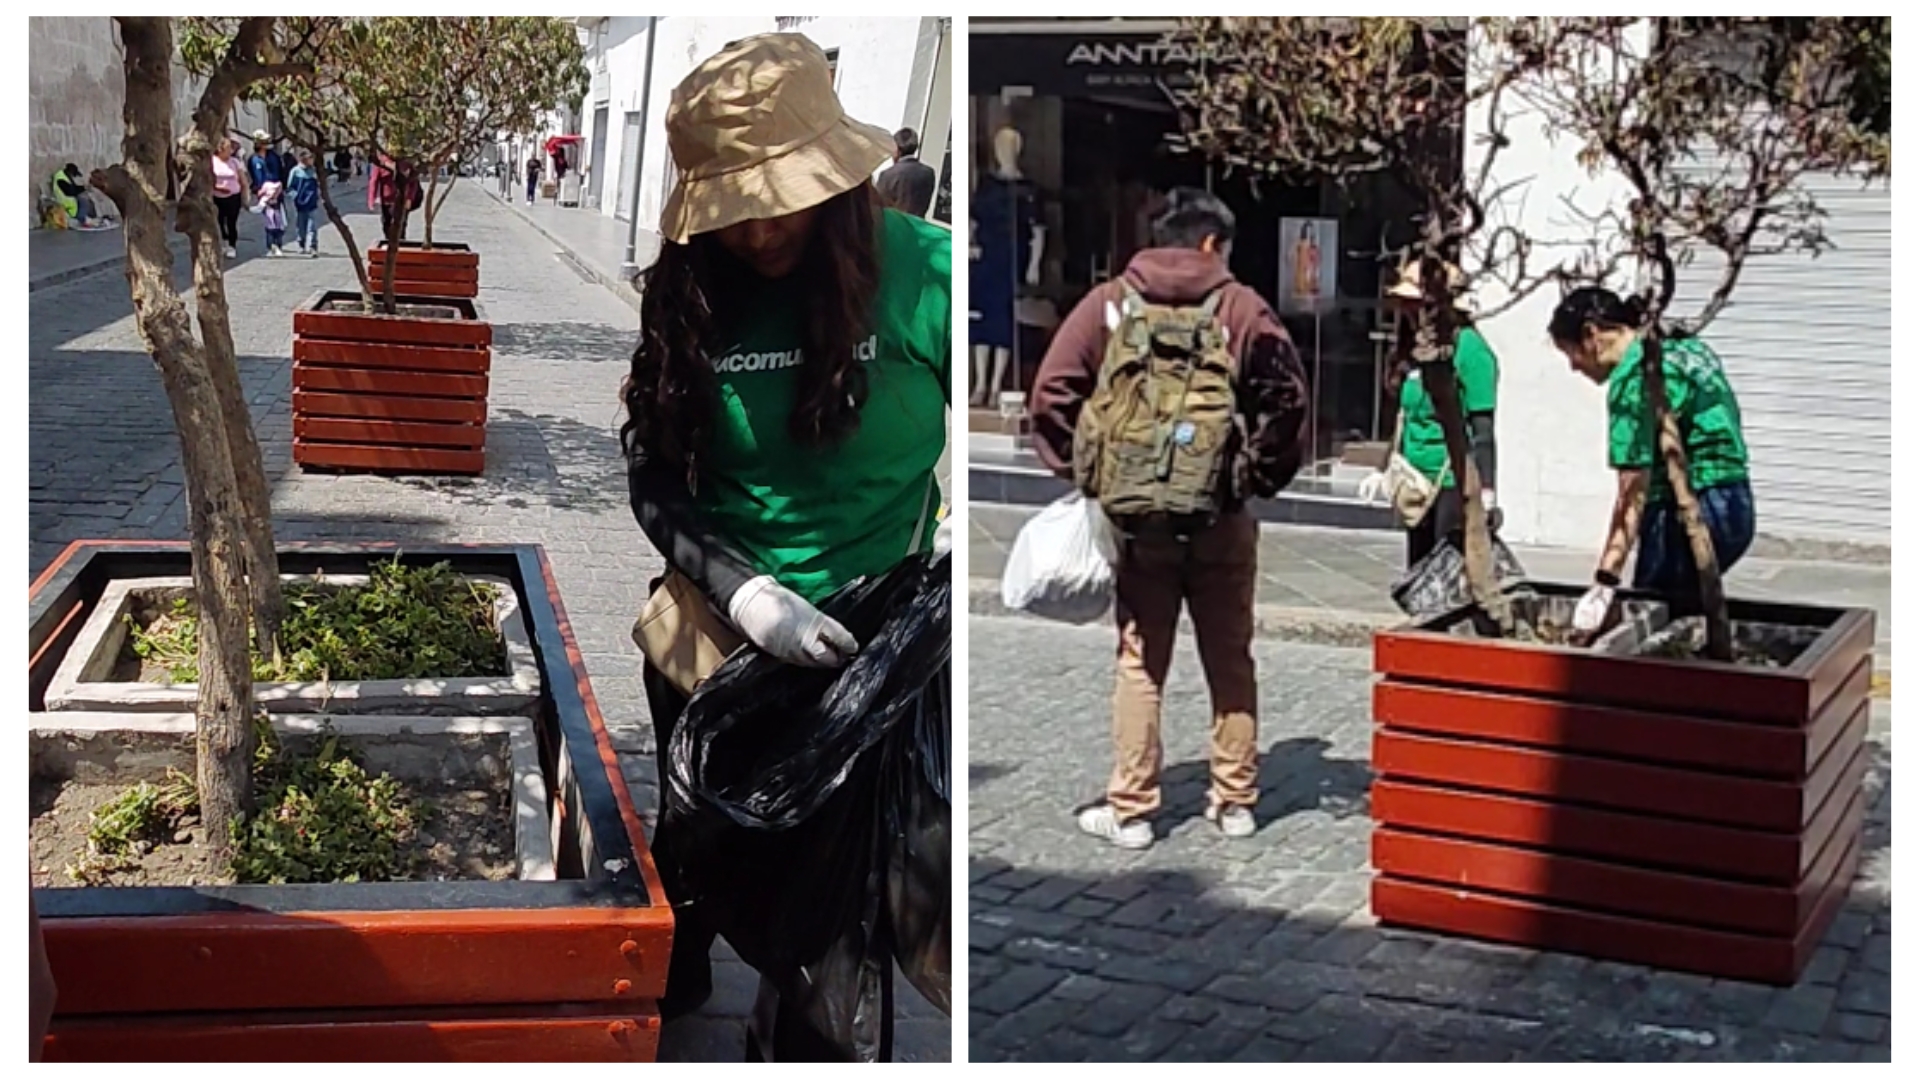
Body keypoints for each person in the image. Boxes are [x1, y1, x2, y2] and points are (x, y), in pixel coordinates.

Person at [619, 32, 949, 1058]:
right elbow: (652, 472)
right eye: (734, 208)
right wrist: (745, 589)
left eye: (779, 199)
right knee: (699, 834)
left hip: (863, 658)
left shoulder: (930, 275)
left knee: (828, 907)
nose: (758, 230)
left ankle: (790, 1023)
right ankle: (679, 970)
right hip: (715, 642)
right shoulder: (691, 289)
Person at [1029, 187, 1310, 850]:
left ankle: (1131, 809)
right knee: (1230, 657)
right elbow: (1288, 399)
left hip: (1137, 524)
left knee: (1139, 659)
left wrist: (1091, 474)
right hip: (1221, 516)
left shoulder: (1109, 303)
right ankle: (1235, 801)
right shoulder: (1241, 307)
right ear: (1212, 243)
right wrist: (1254, 477)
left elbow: (1051, 394)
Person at [1549, 287, 1756, 635]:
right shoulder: (1687, 349)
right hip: (1736, 503)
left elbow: (1633, 492)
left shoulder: (1633, 382)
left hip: (1688, 509)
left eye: (1571, 353)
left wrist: (1605, 580)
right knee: (1692, 609)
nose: (1573, 367)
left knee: (1651, 619)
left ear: (1591, 335)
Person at [1367, 260, 1502, 567]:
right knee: (1417, 570)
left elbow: (1482, 430)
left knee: (1444, 568)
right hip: (1414, 480)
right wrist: (1382, 466)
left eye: (1417, 303)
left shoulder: (1471, 351)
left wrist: (1487, 489)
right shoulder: (1415, 349)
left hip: (1451, 480)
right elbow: (1403, 417)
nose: (1408, 311)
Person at [875, 127, 936, 218]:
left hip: (894, 224)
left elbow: (877, 206)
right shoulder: (928, 173)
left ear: (897, 149)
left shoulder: (887, 175)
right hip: (917, 225)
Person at [211, 137, 248, 258]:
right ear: (220, 149)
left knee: (231, 222)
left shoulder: (234, 162)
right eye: (228, 148)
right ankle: (223, 243)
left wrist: (245, 196)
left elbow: (243, 180)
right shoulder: (212, 161)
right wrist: (217, 188)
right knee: (219, 221)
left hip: (233, 196)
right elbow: (208, 180)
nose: (230, 151)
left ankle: (232, 245)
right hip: (217, 197)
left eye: (231, 148)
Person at [287, 149, 322, 257]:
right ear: (303, 159)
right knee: (301, 225)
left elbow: (318, 184)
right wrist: (296, 197)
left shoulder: (313, 171)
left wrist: (318, 195)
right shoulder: (295, 171)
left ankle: (313, 247)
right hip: (300, 203)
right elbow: (290, 187)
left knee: (312, 226)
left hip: (312, 202)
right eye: (309, 158)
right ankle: (301, 244)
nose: (312, 160)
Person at [255, 179, 287, 257]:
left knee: (278, 236)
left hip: (278, 223)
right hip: (270, 224)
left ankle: (277, 248)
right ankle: (272, 249)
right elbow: (258, 208)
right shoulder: (265, 201)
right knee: (270, 235)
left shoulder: (279, 201)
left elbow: (283, 212)